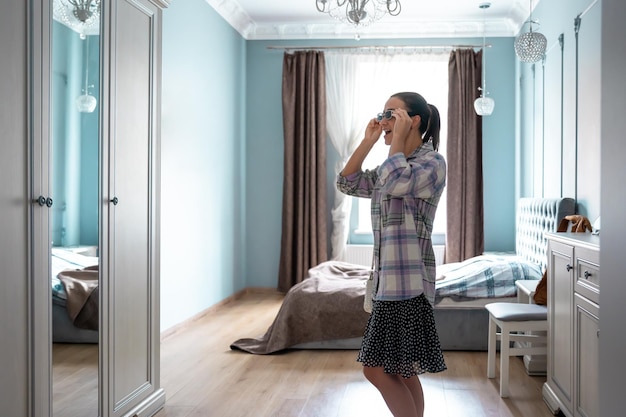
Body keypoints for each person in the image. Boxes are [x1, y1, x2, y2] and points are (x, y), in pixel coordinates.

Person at [336, 92, 447, 417]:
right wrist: (370, 141)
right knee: (401, 369)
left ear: (414, 121)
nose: (383, 119)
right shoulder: (392, 165)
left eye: (391, 114)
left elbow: (398, 182)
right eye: (382, 113)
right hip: (389, 282)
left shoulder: (431, 163)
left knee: (378, 370)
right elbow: (347, 183)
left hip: (409, 285)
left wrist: (395, 140)